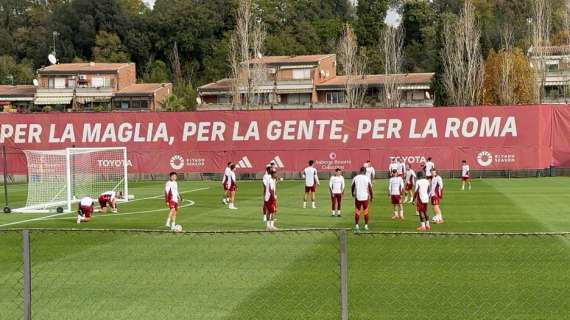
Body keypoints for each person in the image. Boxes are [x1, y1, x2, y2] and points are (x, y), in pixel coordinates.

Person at [352, 167, 373, 232]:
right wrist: (372, 196)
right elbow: (370, 188)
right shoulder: (367, 178)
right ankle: (366, 226)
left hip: (358, 197)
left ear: (360, 171)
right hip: (365, 197)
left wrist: (352, 193)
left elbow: (352, 186)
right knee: (366, 211)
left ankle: (357, 226)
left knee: (357, 211)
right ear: (365, 172)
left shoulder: (356, 177)